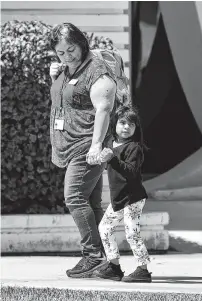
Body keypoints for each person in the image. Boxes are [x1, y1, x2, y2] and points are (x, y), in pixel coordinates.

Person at [48, 23, 116, 278]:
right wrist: (56, 76)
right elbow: (66, 99)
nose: (67, 56)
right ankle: (110, 260)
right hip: (72, 144)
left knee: (74, 197)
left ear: (81, 43)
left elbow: (104, 108)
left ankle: (93, 255)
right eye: (61, 52)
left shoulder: (96, 70)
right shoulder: (67, 68)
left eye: (71, 49)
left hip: (87, 146)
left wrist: (97, 145)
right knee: (91, 202)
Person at [93, 105, 152, 283]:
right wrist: (102, 157)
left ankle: (143, 270)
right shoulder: (111, 144)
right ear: (115, 124)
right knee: (105, 228)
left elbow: (132, 172)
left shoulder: (134, 148)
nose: (126, 127)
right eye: (123, 123)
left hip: (133, 198)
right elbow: (109, 162)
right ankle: (114, 266)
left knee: (132, 233)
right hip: (119, 197)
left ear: (136, 129)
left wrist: (112, 159)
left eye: (131, 124)